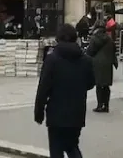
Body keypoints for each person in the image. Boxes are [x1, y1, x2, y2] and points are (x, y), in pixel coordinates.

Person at [34, 23, 95, 158]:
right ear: (75, 38)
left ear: (58, 39)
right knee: (72, 146)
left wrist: (39, 112)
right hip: (77, 112)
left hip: (56, 113)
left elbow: (43, 87)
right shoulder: (86, 60)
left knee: (56, 149)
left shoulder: (52, 59)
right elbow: (91, 83)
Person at [87, 20, 117, 113]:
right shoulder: (109, 38)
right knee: (106, 86)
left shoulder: (94, 38)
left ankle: (100, 105)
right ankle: (106, 105)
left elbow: (90, 51)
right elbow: (114, 49)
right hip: (108, 64)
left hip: (97, 64)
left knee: (99, 86)